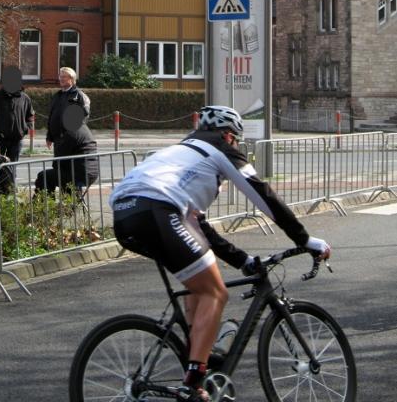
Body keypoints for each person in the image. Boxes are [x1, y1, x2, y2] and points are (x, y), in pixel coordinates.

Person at [109, 105, 331, 402]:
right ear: (229, 135)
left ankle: (196, 357)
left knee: (196, 287)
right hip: (158, 210)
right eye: (236, 140)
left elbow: (200, 228)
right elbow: (263, 195)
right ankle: (193, 383)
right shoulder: (219, 148)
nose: (237, 145)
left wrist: (243, 261)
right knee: (215, 293)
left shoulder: (183, 152)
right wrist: (304, 239)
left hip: (125, 215)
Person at [35, 67, 98, 195]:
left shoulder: (79, 95)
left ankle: (69, 202)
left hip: (71, 137)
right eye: (60, 76)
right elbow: (52, 116)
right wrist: (49, 136)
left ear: (72, 79)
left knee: (65, 168)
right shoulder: (57, 95)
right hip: (59, 138)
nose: (61, 79)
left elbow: (84, 113)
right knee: (60, 169)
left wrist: (74, 130)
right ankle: (65, 203)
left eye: (64, 77)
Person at [0, 66, 34, 165]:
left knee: (12, 165)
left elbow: (30, 116)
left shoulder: (25, 98)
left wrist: (25, 129)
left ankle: (11, 181)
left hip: (17, 139)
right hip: (0, 139)